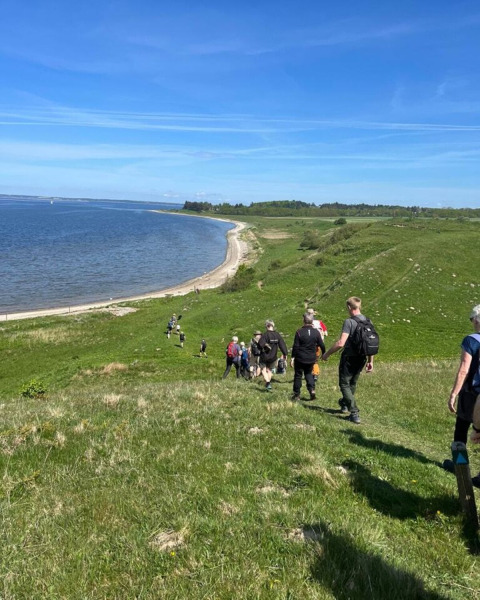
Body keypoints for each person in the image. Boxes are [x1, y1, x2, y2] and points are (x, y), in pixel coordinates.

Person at [444, 305, 480, 488]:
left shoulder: (471, 340)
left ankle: (459, 465)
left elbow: (464, 369)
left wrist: (454, 393)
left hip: (472, 393)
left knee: (461, 429)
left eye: (471, 319)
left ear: (476, 320)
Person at [321, 297, 373, 424]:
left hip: (349, 358)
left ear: (350, 307)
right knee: (352, 383)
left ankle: (354, 412)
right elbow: (370, 342)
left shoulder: (349, 322)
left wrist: (326, 354)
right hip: (362, 357)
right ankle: (344, 404)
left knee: (344, 384)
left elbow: (341, 343)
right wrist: (370, 361)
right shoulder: (367, 321)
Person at [291, 312, 326, 401]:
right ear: (312, 321)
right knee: (308, 373)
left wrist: (292, 357)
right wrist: (324, 354)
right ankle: (312, 390)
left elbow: (296, 346)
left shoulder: (299, 332)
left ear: (304, 320)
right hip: (311, 358)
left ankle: (297, 394)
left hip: (300, 357)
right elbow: (321, 344)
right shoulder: (316, 332)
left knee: (298, 375)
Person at [258, 320, 288, 392]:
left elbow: (260, 344)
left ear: (267, 326)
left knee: (263, 370)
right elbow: (282, 345)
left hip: (264, 356)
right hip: (273, 356)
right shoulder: (277, 335)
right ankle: (268, 383)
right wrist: (285, 354)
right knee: (270, 370)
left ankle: (268, 383)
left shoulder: (265, 335)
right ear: (273, 326)